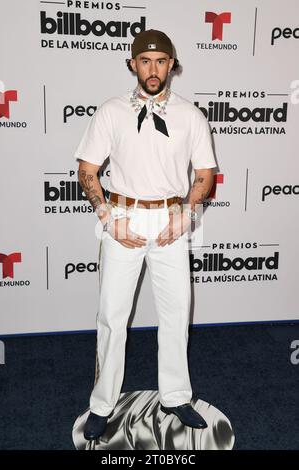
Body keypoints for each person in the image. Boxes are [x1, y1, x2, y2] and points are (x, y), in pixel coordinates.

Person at [74, 29, 217, 441]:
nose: (153, 70)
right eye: (145, 61)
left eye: (161, 61)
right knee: (112, 316)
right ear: (133, 64)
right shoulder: (111, 111)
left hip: (172, 220)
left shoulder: (191, 116)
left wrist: (187, 215)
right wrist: (107, 216)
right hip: (122, 219)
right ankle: (102, 403)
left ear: (172, 65)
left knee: (176, 313)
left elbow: (204, 174)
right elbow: (87, 168)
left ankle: (175, 395)